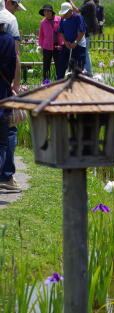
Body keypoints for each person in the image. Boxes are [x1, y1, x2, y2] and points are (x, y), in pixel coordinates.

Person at [0, 0, 23, 192]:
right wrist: (15, 85)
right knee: (8, 131)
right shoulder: (10, 28)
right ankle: (7, 175)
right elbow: (16, 58)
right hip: (4, 89)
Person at [57, 2, 87, 79]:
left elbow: (82, 31)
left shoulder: (78, 17)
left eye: (66, 13)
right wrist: (65, 42)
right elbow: (61, 31)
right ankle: (60, 82)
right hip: (67, 44)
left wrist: (75, 42)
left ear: (71, 11)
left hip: (79, 45)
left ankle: (78, 83)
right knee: (61, 64)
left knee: (77, 67)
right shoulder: (63, 18)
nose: (64, 15)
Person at [67, 0, 97, 77]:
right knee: (83, 51)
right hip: (85, 30)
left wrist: (70, 1)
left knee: (85, 52)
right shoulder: (88, 3)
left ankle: (89, 72)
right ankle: (83, 70)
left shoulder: (89, 3)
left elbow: (77, 10)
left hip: (86, 31)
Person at [38, 4, 64, 80]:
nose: (46, 13)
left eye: (48, 11)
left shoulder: (59, 20)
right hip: (47, 46)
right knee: (46, 65)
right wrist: (41, 47)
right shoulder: (43, 22)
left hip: (58, 45)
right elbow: (41, 36)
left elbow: (63, 32)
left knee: (59, 64)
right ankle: (46, 82)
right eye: (45, 12)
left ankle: (60, 80)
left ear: (52, 12)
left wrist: (62, 44)